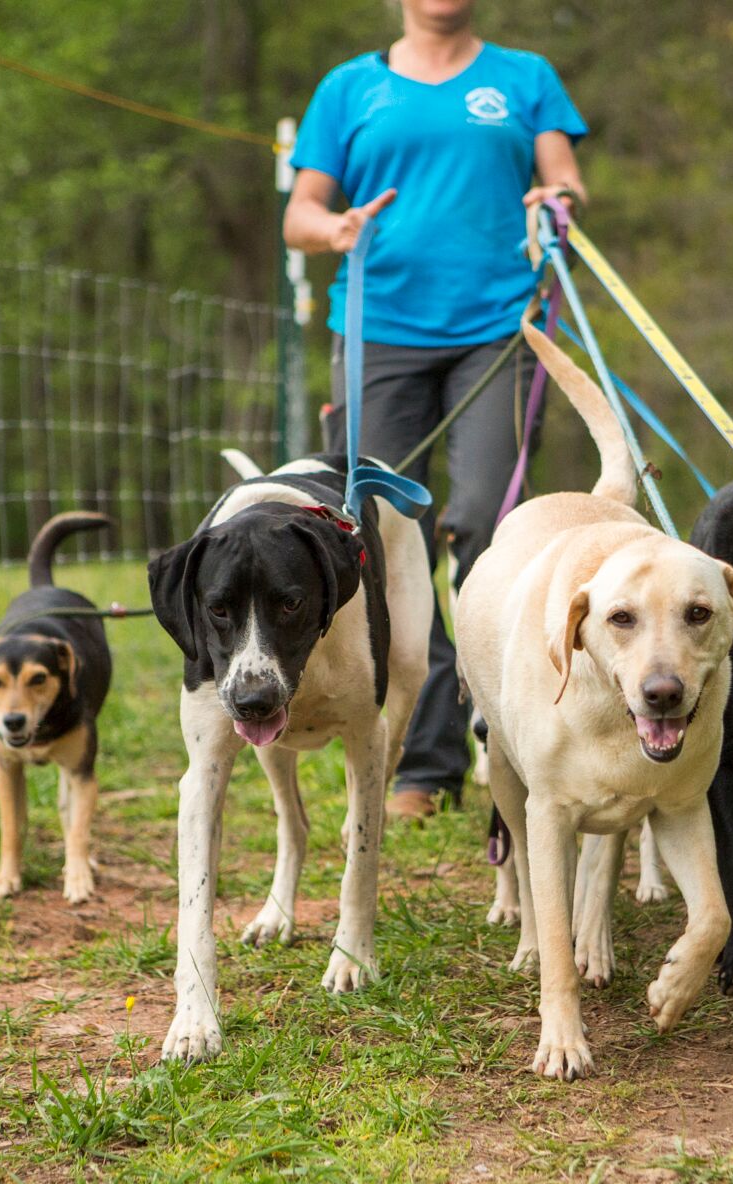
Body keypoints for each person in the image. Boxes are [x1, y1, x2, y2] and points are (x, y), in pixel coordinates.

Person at [283, 0, 587, 821]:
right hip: (377, 331)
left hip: (496, 330)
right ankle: (422, 756)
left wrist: (551, 203)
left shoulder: (523, 78)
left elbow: (563, 179)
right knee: (381, 534)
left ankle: (506, 729)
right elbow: (299, 214)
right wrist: (335, 226)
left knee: (485, 522)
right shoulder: (350, 88)